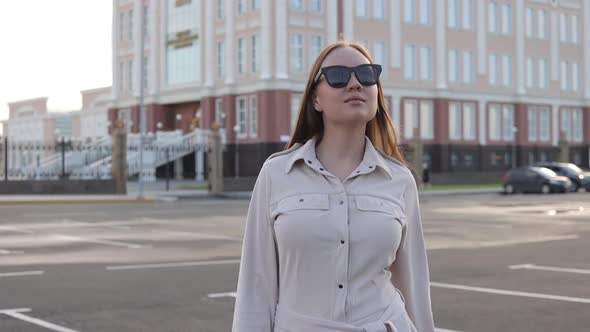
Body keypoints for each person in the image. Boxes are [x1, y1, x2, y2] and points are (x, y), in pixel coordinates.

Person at [232, 40, 435, 332]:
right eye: (338, 75)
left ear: (376, 91)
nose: (354, 83)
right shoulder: (276, 174)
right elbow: (256, 285)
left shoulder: (399, 180)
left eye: (366, 74)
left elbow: (413, 284)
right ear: (316, 99)